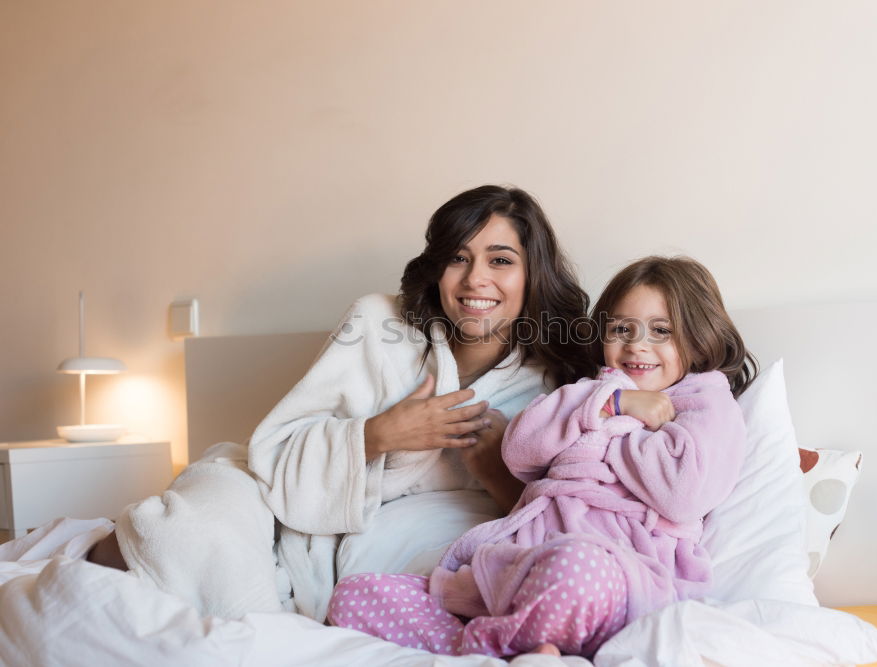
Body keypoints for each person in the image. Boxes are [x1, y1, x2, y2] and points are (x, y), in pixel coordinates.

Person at [87, 185, 596, 621]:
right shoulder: (377, 324)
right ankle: (99, 552)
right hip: (267, 485)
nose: (474, 279)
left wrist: (495, 473)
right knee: (184, 537)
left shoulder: (554, 386)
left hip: (385, 532)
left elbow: (564, 520)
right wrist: (378, 435)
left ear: (533, 275)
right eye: (457, 258)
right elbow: (275, 448)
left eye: (500, 260)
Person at [328, 255, 758, 658]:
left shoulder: (706, 404)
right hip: (523, 567)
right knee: (353, 596)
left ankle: (497, 647)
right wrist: (612, 405)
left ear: (700, 340)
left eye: (661, 331)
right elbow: (519, 451)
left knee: (577, 567)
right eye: (621, 330)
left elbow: (684, 494)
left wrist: (613, 433)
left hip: (620, 578)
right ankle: (520, 646)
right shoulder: (592, 393)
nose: (637, 346)